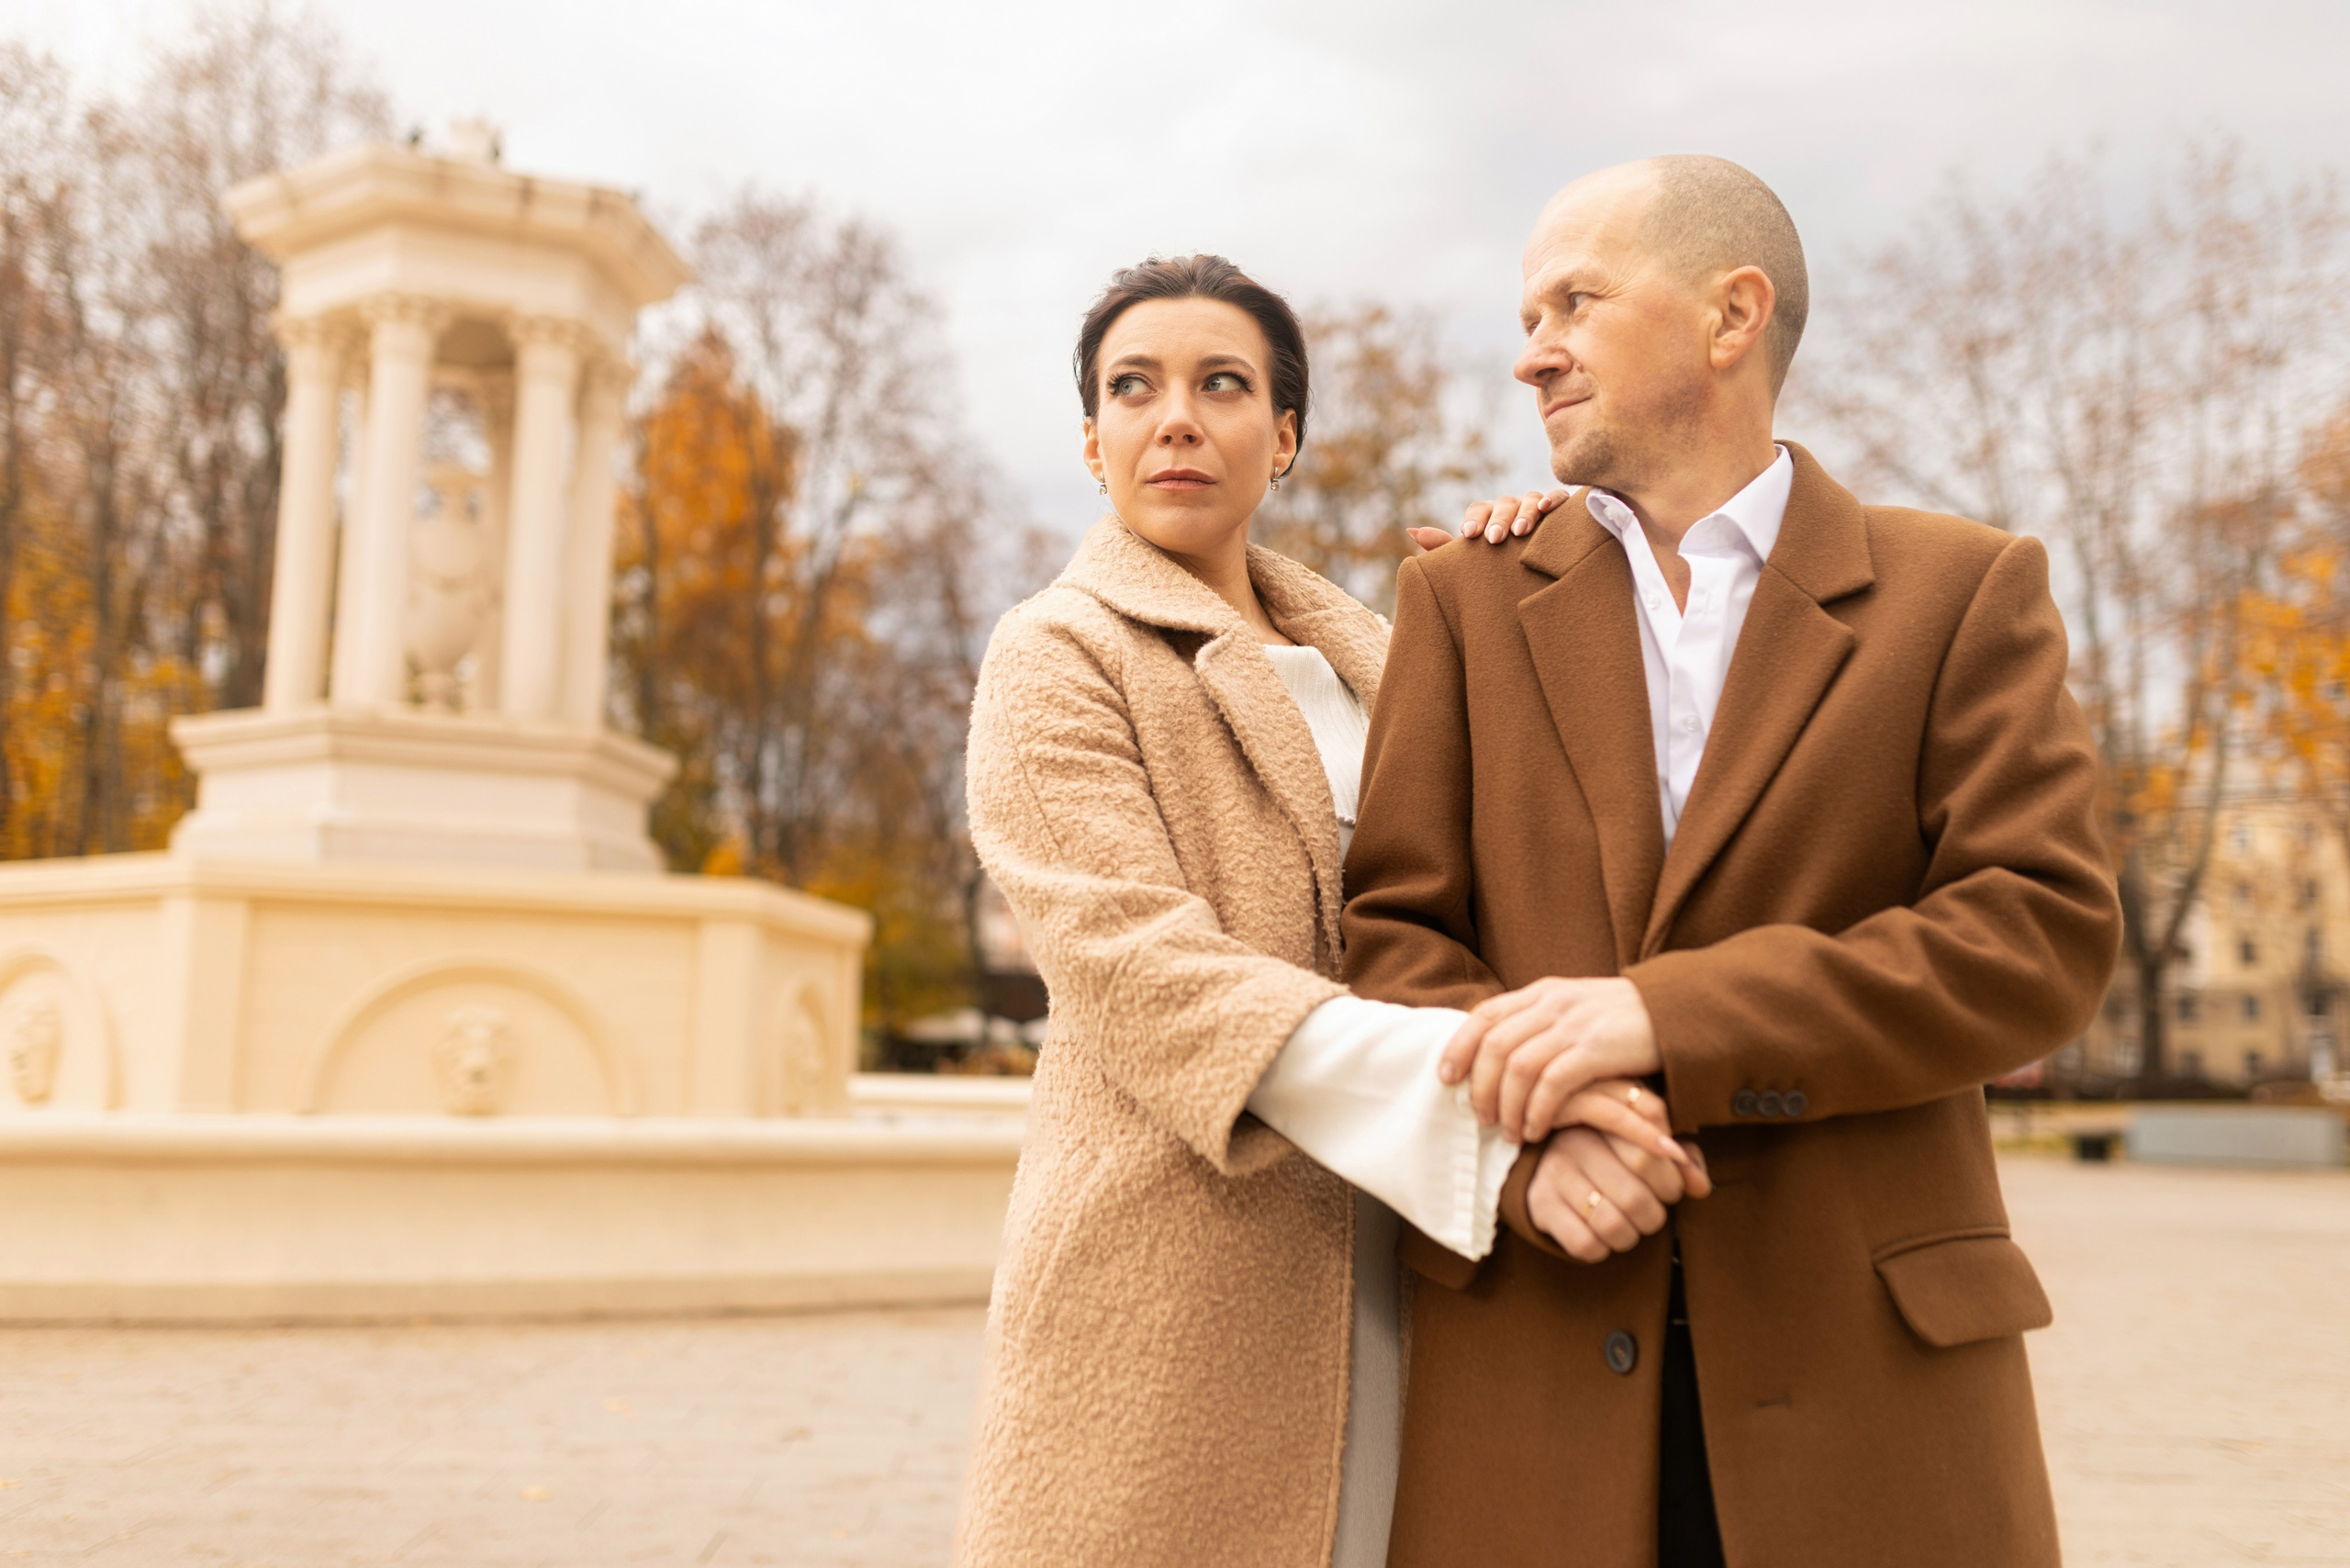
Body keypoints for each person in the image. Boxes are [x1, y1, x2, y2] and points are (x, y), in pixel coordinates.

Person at [1343, 155, 2123, 1568]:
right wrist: (1525, 1148)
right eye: (1527, 315)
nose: (1531, 354)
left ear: (1731, 315)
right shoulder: (1459, 601)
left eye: (1574, 300)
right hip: (1534, 1376)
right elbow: (1392, 944)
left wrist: (1668, 1020)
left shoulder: (1964, 592)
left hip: (1873, 1410)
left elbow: (2039, 934)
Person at [953, 254, 1704, 1568]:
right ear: (1092, 441)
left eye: (1222, 383)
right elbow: (1142, 968)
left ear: (1285, 435)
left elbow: (1563, 844)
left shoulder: (1392, 648)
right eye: (1134, 388)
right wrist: (1505, 1113)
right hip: (1187, 1275)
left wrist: (1561, 573)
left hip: (1430, 1261)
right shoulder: (1054, 651)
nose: (1175, 415)